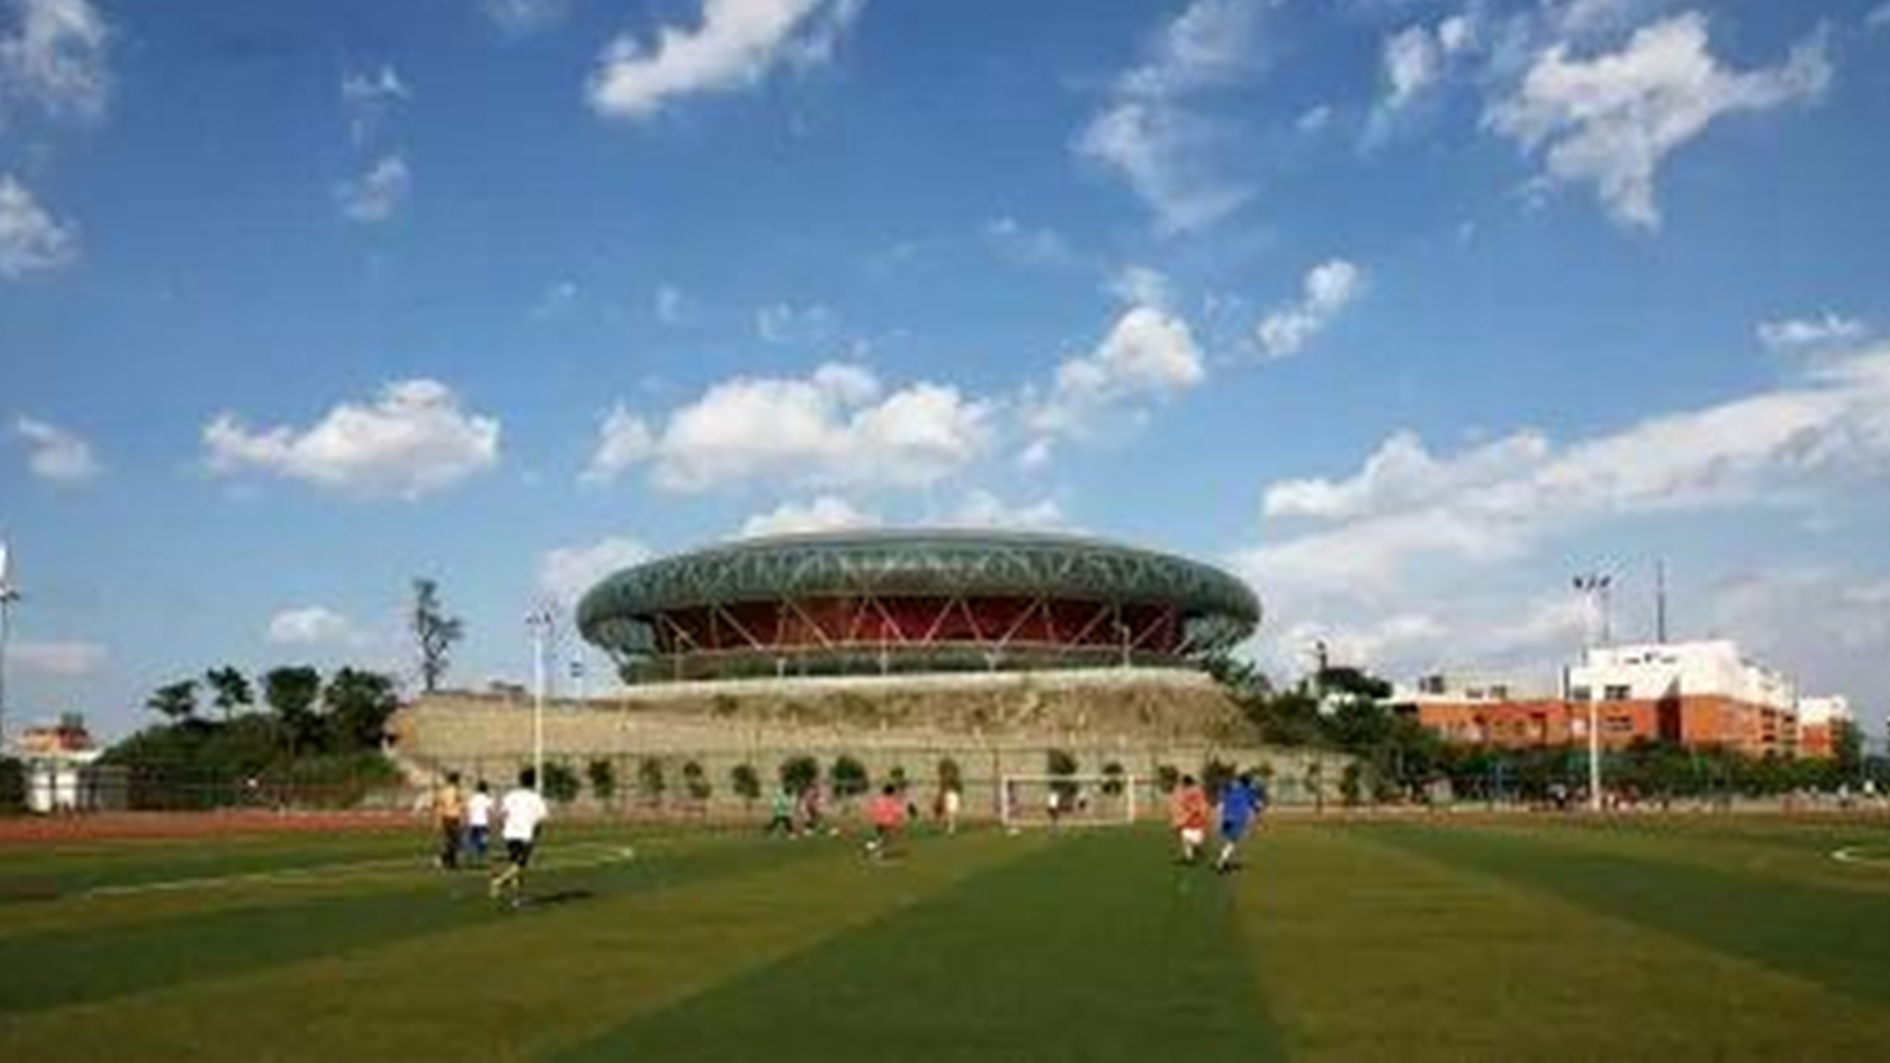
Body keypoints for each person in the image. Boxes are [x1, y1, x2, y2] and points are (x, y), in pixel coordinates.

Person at [489, 767, 550, 906]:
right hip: (525, 834)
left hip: (510, 834)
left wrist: (503, 828)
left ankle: (517, 899)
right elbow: (541, 819)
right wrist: (536, 834)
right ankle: (498, 881)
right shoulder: (535, 798)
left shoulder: (511, 796)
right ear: (533, 781)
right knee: (519, 865)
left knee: (515, 865)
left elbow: (502, 815)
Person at [1215, 771, 1266, 874]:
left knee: (1230, 841)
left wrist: (1220, 817)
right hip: (1237, 819)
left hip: (1227, 818)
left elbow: (1222, 802)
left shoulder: (1231, 789)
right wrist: (1260, 819)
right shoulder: (1248, 791)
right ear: (1248, 782)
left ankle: (1224, 862)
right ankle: (1221, 863)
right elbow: (1257, 805)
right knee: (1232, 842)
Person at [1170, 774, 1210, 865]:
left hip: (1196, 820)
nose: (1182, 785)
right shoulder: (1184, 791)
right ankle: (1189, 858)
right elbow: (1181, 804)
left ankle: (1196, 851)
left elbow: (1200, 805)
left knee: (1195, 841)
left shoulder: (1196, 791)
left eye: (1183, 783)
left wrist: (1198, 812)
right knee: (1185, 838)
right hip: (1188, 820)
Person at [864, 783, 906, 859]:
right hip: (889, 822)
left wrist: (872, 817)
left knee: (881, 837)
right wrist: (899, 821)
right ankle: (873, 847)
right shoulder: (894, 800)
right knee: (886, 838)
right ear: (892, 792)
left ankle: (875, 849)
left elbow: (872, 808)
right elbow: (898, 811)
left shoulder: (879, 799)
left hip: (879, 821)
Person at [435, 771, 466, 870]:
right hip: (453, 817)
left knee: (451, 840)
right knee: (455, 840)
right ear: (456, 780)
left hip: (446, 817)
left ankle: (451, 861)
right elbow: (461, 804)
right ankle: (444, 858)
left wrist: (438, 819)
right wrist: (463, 817)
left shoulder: (444, 791)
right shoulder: (456, 791)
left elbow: (440, 805)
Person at [465, 780, 494, 865]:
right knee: (483, 842)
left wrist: (468, 820)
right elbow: (489, 811)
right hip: (483, 822)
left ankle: (470, 857)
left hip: (473, 822)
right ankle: (480, 859)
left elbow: (469, 810)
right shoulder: (487, 799)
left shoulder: (473, 798)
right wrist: (491, 821)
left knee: (473, 841)